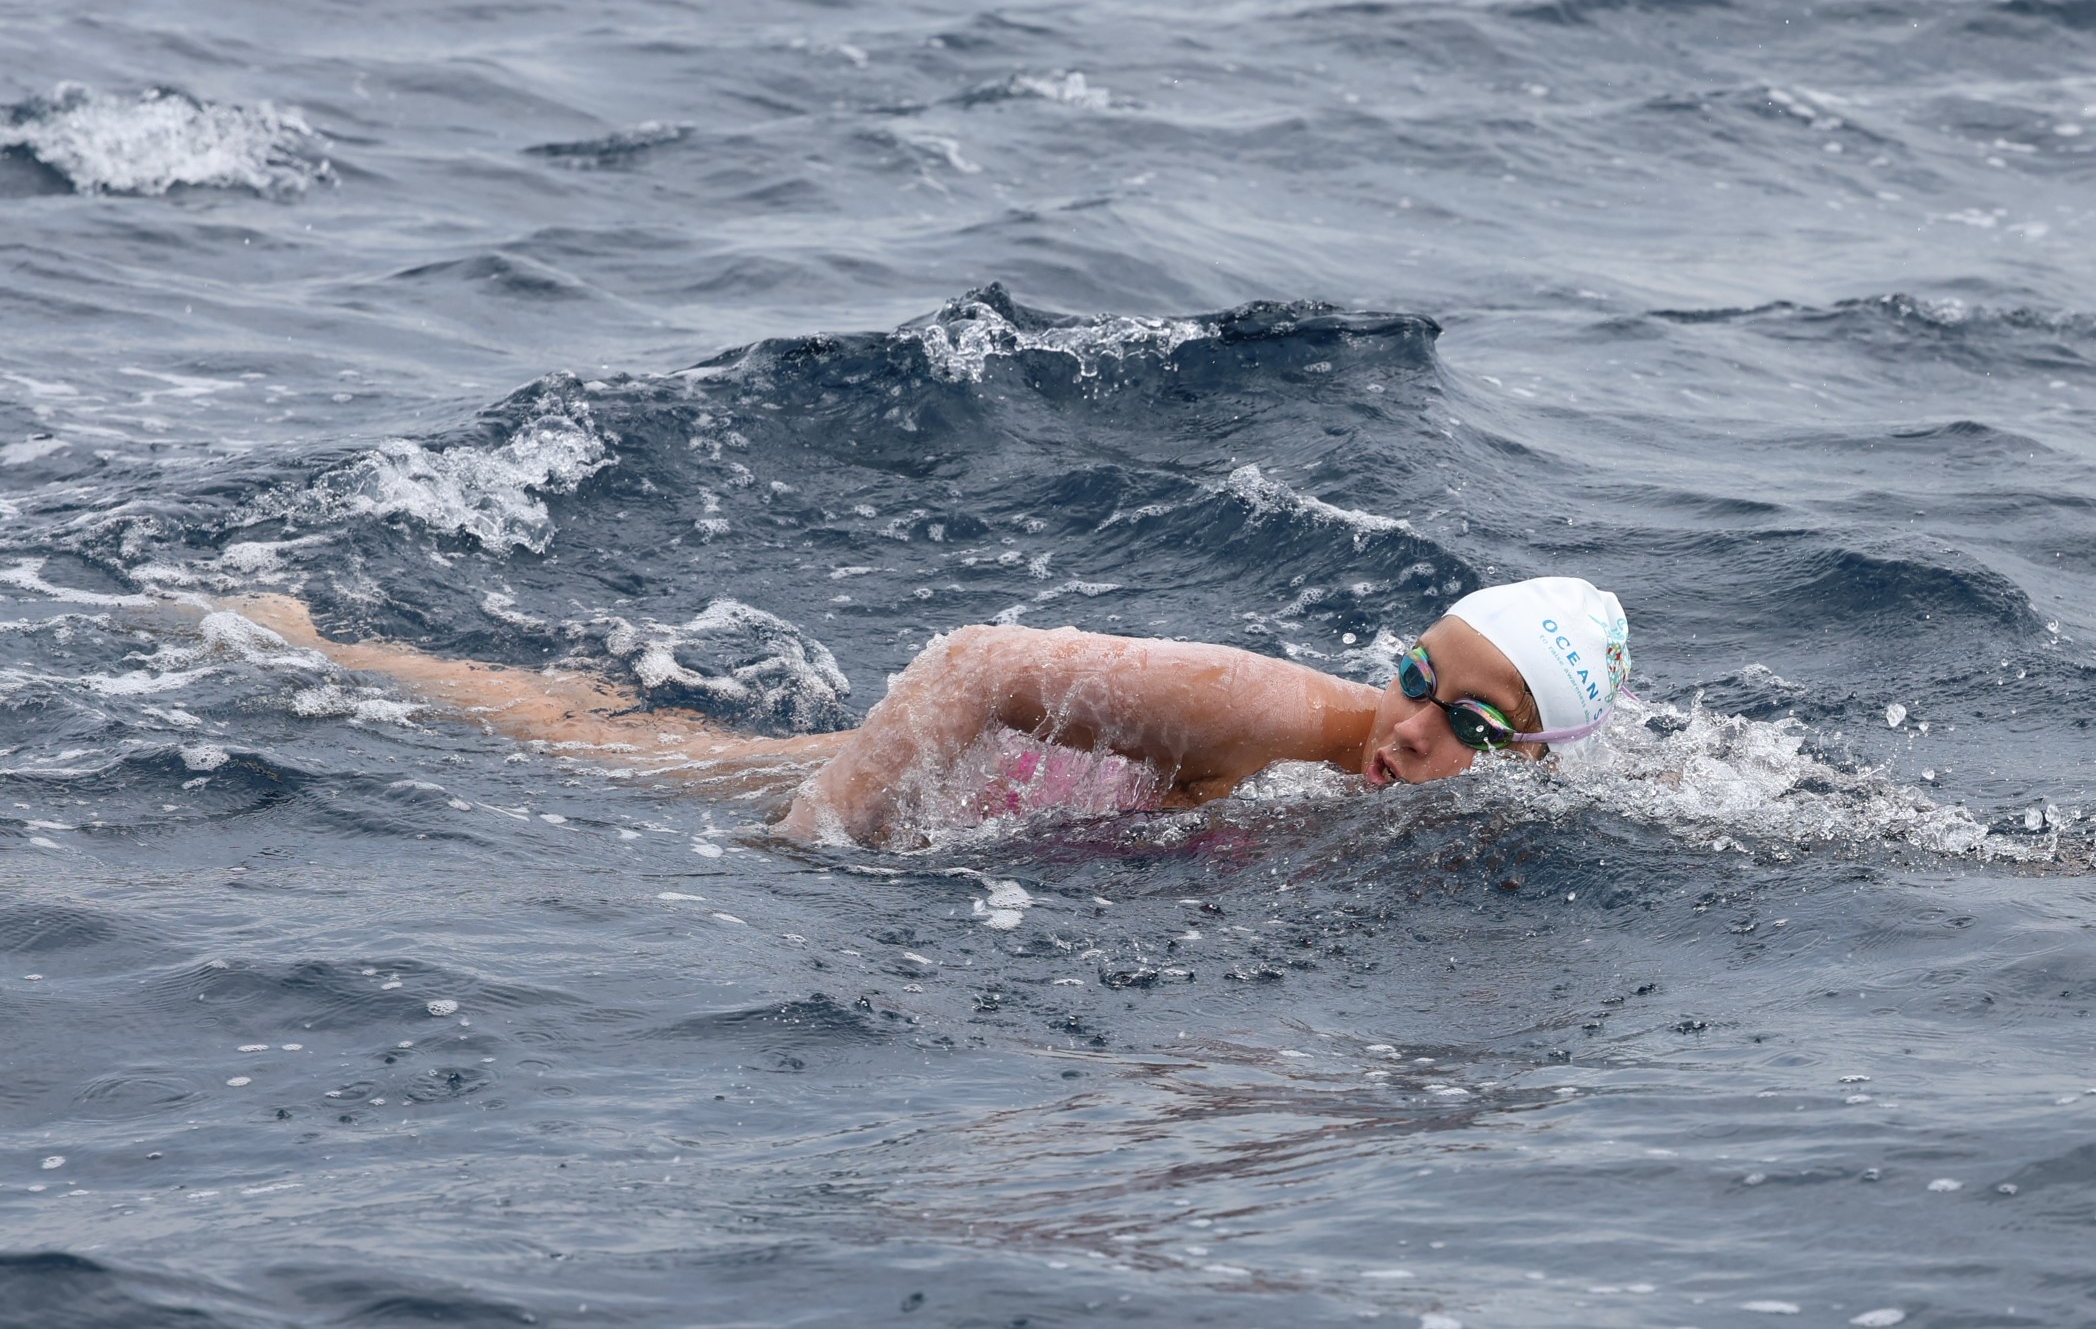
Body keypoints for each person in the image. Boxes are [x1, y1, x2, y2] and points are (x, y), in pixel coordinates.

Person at [228, 576, 1629, 849]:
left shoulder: (1545, 796)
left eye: (1473, 730)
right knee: (568, 747)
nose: (1412, 733)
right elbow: (968, 665)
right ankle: (266, 636)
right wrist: (812, 848)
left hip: (1013, 824)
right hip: (920, 791)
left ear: (1544, 758)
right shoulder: (1266, 713)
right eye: (1413, 681)